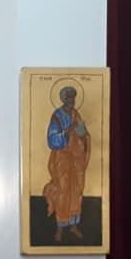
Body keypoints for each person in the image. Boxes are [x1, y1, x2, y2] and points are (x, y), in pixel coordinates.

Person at [42, 85, 91, 242]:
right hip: (62, 160)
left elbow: (85, 135)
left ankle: (74, 225)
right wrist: (67, 132)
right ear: (64, 99)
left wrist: (82, 135)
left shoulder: (76, 114)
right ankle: (60, 227)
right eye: (69, 98)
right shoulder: (57, 116)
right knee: (63, 191)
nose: (72, 101)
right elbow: (52, 140)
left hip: (76, 160)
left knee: (76, 190)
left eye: (73, 98)